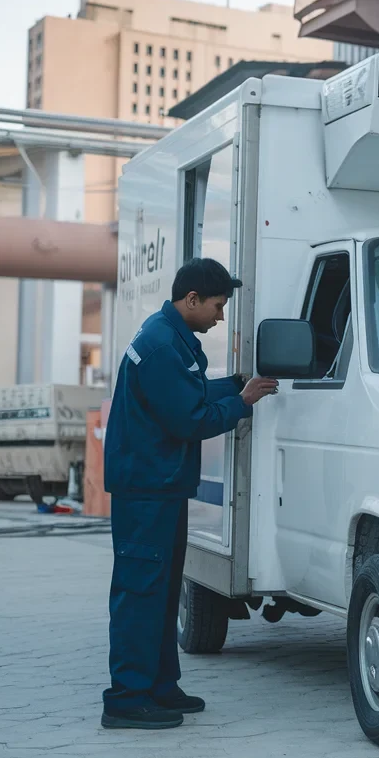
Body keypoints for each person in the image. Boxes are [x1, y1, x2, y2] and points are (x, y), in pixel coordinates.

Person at [101, 258, 278, 729]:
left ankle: (159, 686)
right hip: (146, 491)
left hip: (159, 486)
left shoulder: (170, 337)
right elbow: (191, 419)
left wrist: (237, 384)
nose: (222, 316)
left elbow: (193, 390)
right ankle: (126, 697)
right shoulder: (161, 347)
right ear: (192, 300)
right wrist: (240, 404)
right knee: (141, 591)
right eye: (218, 306)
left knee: (159, 591)